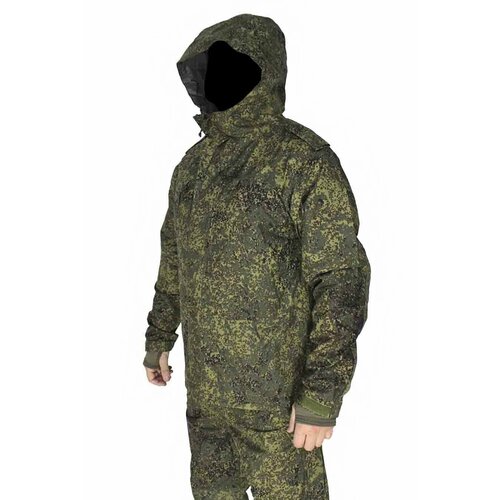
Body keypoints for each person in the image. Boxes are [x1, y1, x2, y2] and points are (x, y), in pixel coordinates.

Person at [143, 12, 371, 499]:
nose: (218, 80)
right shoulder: (192, 168)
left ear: (264, 70)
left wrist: (321, 395)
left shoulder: (303, 160)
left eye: (234, 67)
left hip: (279, 410)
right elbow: (174, 259)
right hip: (207, 407)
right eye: (211, 69)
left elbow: (341, 280)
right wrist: (159, 335)